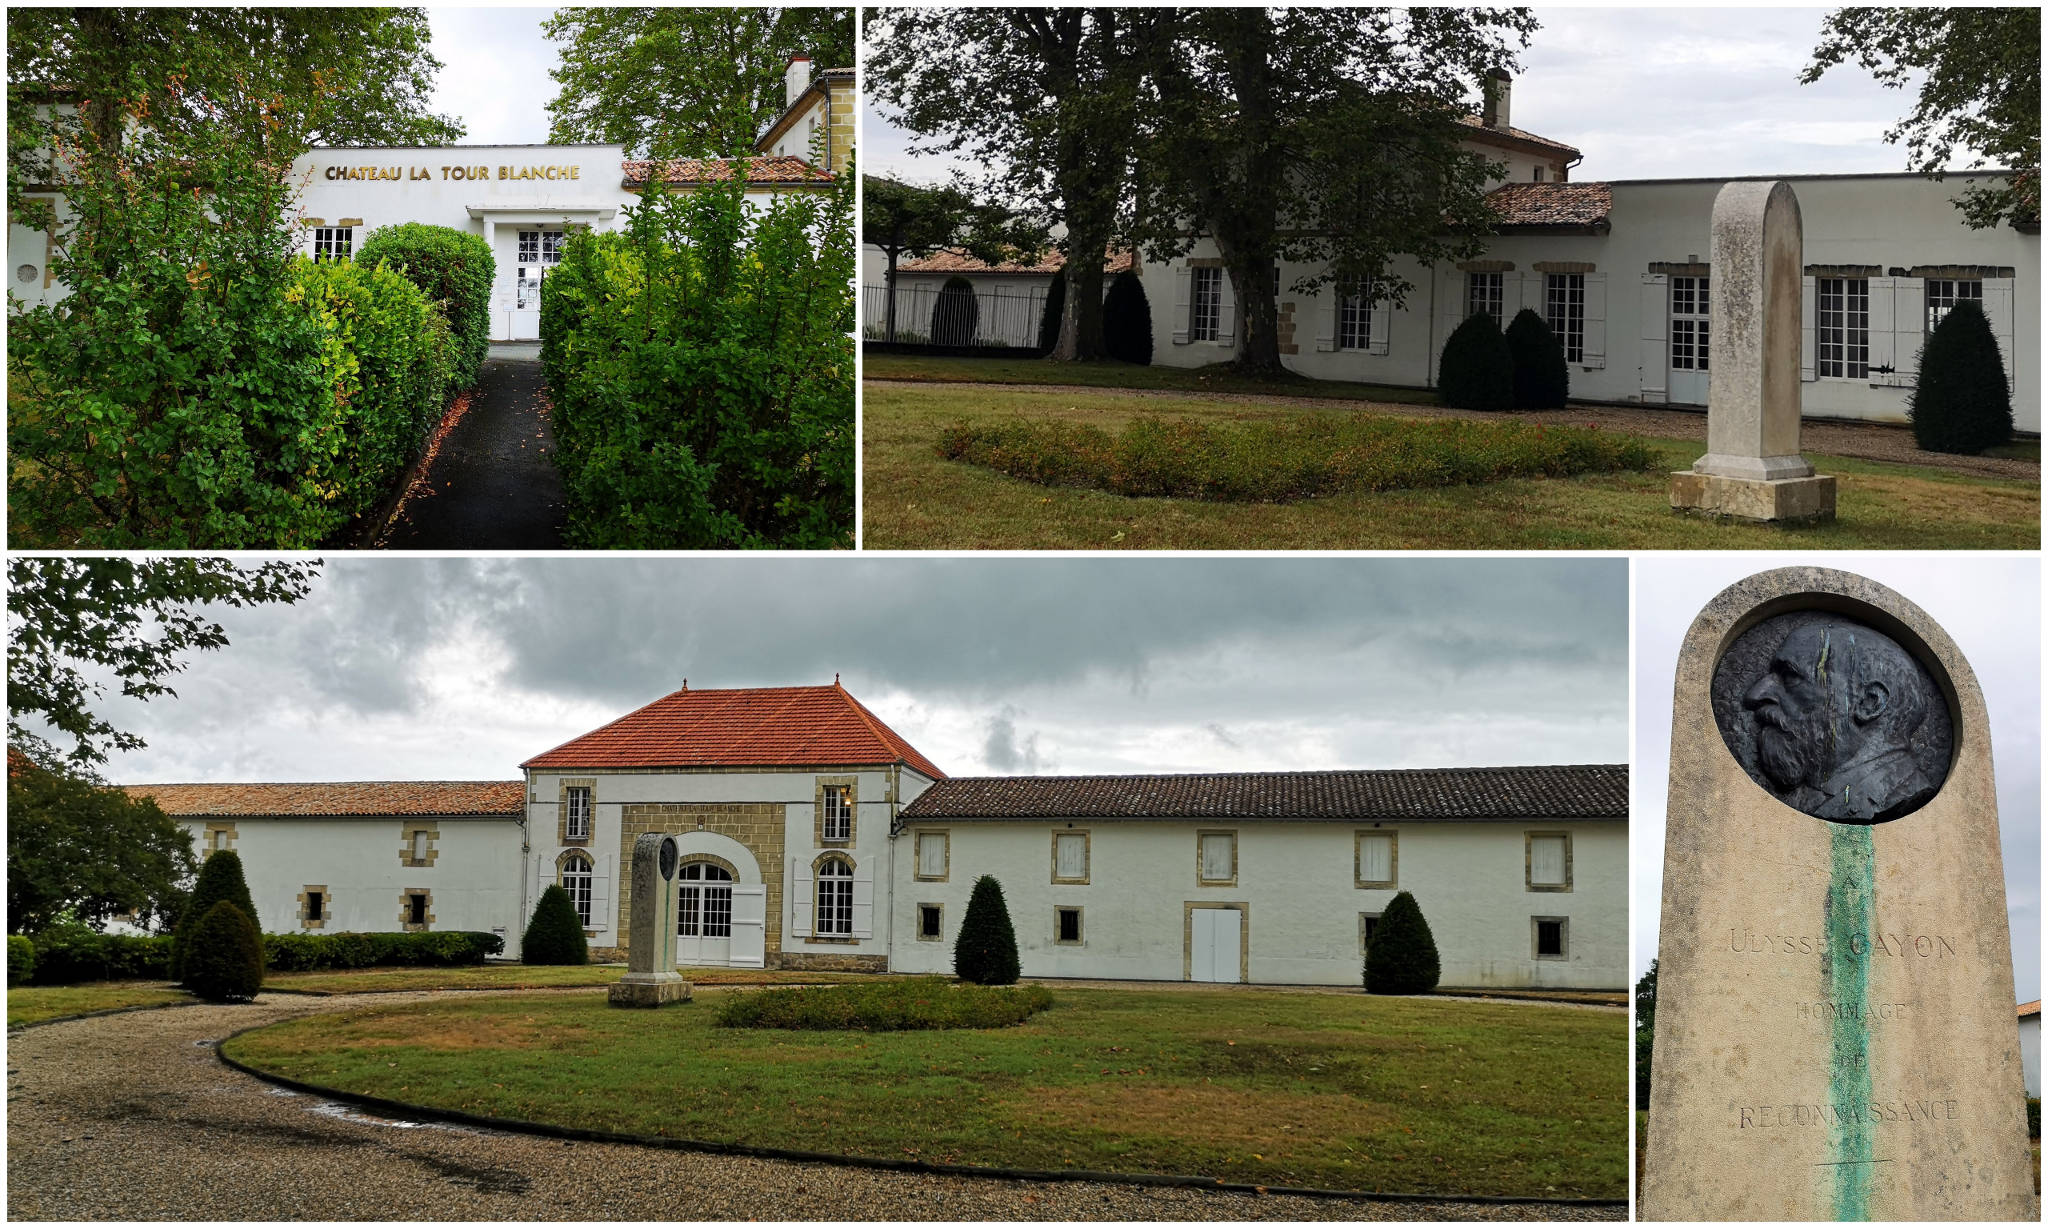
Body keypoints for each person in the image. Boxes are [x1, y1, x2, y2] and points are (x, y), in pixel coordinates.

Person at [1740, 618, 1938, 822]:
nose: (1755, 695)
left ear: (1869, 703)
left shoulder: (1900, 794)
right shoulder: (1809, 796)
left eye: (1790, 676)